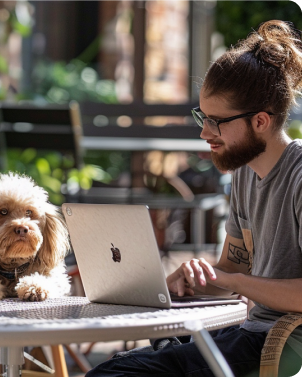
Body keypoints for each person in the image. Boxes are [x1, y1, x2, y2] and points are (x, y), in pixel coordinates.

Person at [86, 20, 302, 377]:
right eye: (202, 116)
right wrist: (192, 280)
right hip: (249, 334)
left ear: (261, 121)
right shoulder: (247, 172)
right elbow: (233, 269)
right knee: (120, 366)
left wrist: (231, 282)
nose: (204, 132)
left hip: (282, 344)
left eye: (216, 121)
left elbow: (238, 280)